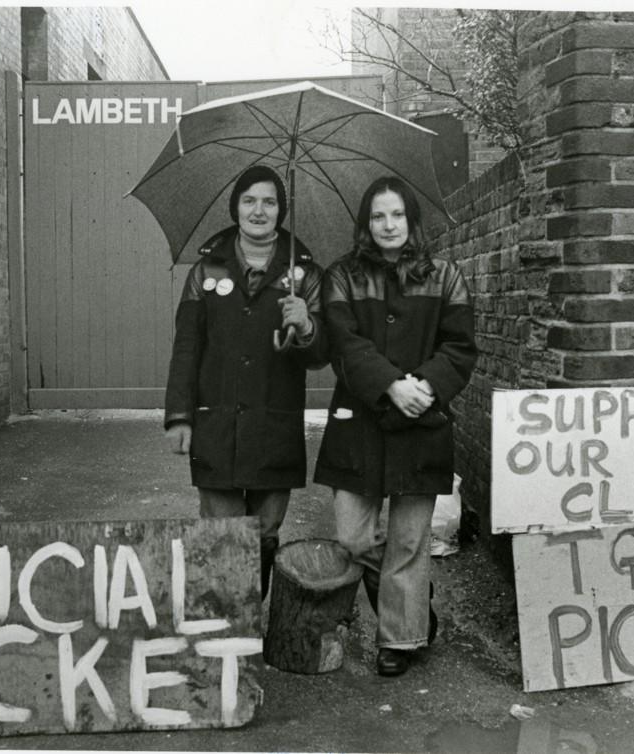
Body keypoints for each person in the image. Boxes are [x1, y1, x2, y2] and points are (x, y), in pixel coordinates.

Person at [314, 176, 477, 676]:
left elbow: (459, 346)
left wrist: (424, 387)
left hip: (422, 420)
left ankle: (400, 638)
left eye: (397, 216)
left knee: (409, 541)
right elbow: (344, 343)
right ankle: (410, 597)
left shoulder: (446, 276)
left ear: (411, 221)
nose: (388, 225)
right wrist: (390, 386)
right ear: (366, 224)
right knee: (353, 539)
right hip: (358, 422)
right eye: (378, 217)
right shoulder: (341, 276)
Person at [164, 165, 329, 598]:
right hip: (214, 420)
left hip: (274, 423)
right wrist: (179, 418)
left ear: (281, 210)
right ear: (235, 207)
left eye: (270, 201)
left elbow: (318, 357)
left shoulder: (305, 275)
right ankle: (225, 629)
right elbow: (186, 349)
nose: (259, 210)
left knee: (263, 533)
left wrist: (306, 325)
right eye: (250, 200)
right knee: (221, 531)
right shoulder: (205, 271)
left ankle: (250, 625)